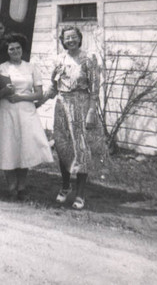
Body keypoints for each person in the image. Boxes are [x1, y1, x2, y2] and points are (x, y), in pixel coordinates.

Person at [0, 33, 53, 200]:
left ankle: (21, 187)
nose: (15, 51)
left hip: (26, 110)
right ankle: (11, 186)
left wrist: (21, 97)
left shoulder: (31, 67)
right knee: (8, 147)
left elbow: (38, 94)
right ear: (7, 51)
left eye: (18, 48)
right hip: (6, 110)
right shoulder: (0, 68)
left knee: (24, 148)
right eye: (11, 48)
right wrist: (4, 92)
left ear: (22, 50)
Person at [41, 26, 101, 210]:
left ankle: (80, 194)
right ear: (62, 40)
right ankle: (65, 186)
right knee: (62, 147)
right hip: (61, 106)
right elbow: (53, 87)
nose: (71, 41)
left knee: (81, 149)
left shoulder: (88, 59)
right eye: (67, 38)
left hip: (81, 105)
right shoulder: (59, 59)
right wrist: (36, 102)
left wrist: (92, 111)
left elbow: (95, 89)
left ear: (79, 38)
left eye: (74, 37)